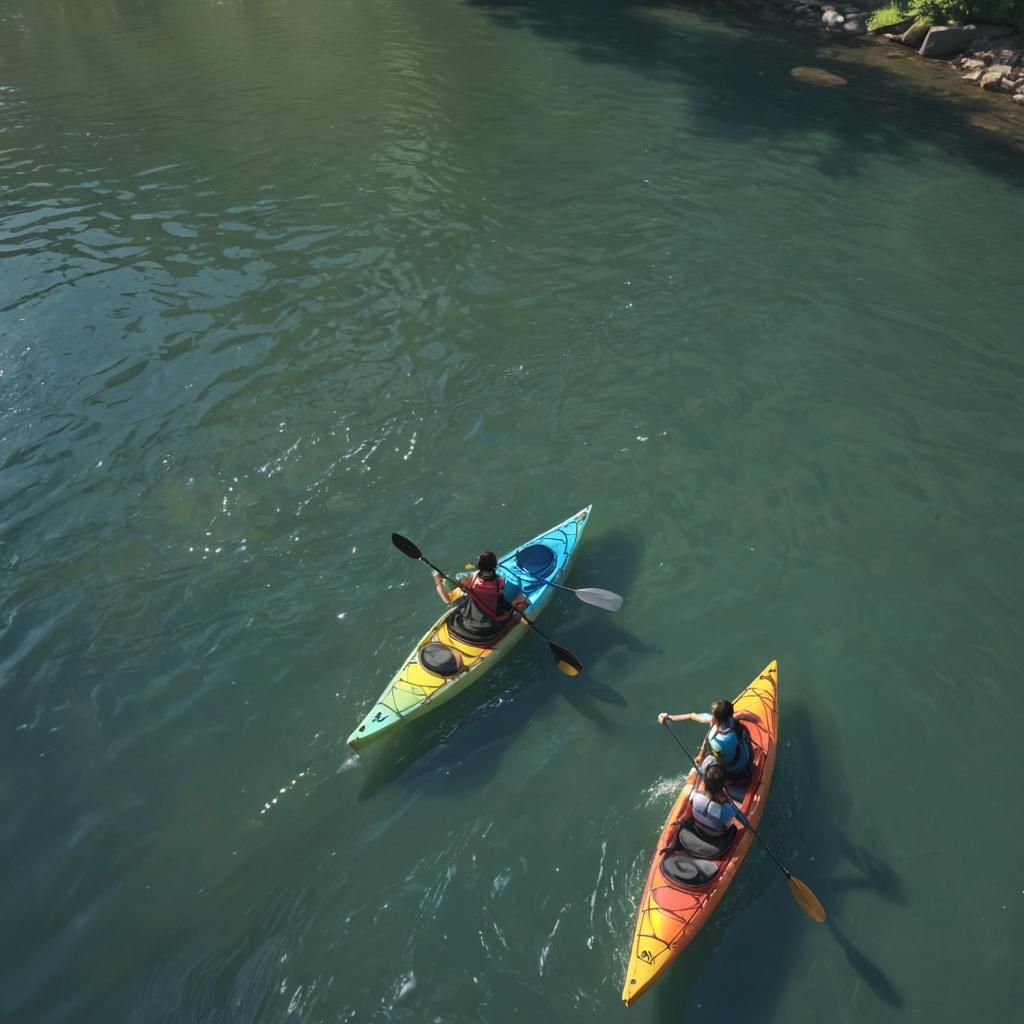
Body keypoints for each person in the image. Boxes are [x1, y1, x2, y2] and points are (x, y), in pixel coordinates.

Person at [432, 550, 528, 643]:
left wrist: (438, 581)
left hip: (467, 625)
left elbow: (447, 599)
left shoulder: (469, 580)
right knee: (519, 601)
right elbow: (503, 593)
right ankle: (520, 620)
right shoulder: (500, 582)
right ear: (495, 566)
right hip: (490, 626)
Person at [657, 698, 760, 779]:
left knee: (706, 756)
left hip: (727, 771)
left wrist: (668, 717)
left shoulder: (711, 732)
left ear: (715, 717)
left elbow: (691, 715)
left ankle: (694, 774)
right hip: (742, 766)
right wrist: (759, 721)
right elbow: (743, 714)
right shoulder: (733, 728)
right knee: (744, 732)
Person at [689, 762, 749, 838]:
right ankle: (749, 827)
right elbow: (728, 818)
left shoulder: (695, 796)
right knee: (735, 809)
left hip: (700, 828)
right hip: (716, 835)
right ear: (724, 785)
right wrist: (729, 800)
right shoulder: (725, 810)